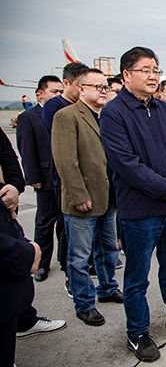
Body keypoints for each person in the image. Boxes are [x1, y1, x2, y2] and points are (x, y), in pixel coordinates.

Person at [99, 47, 166, 363]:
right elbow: (125, 163)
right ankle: (137, 332)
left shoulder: (164, 110)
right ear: (126, 75)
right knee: (137, 276)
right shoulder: (114, 113)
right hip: (140, 211)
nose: (152, 76)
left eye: (156, 70)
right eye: (145, 70)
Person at [52, 68, 123, 327]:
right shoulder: (67, 116)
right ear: (81, 89)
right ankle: (84, 304)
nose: (104, 91)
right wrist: (79, 195)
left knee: (108, 249)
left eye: (106, 87)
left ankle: (107, 288)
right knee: (79, 257)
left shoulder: (108, 117)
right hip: (83, 200)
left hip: (108, 198)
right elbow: (65, 161)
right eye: (98, 86)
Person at [0, 127, 65, 366]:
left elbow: (9, 157)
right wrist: (27, 254)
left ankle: (24, 320)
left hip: (6, 211)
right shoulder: (30, 118)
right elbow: (28, 151)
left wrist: (16, 185)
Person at [42, 62, 90, 297]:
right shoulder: (56, 107)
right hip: (67, 179)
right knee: (67, 230)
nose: (82, 90)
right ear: (66, 83)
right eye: (79, 85)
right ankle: (69, 273)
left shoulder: (82, 106)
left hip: (88, 177)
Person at [16, 75, 64, 282]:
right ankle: (42, 263)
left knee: (64, 222)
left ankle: (64, 259)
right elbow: (26, 149)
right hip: (44, 178)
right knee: (45, 221)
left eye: (61, 91)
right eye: (54, 91)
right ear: (40, 94)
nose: (59, 95)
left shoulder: (64, 113)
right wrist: (33, 176)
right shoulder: (29, 117)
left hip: (64, 177)